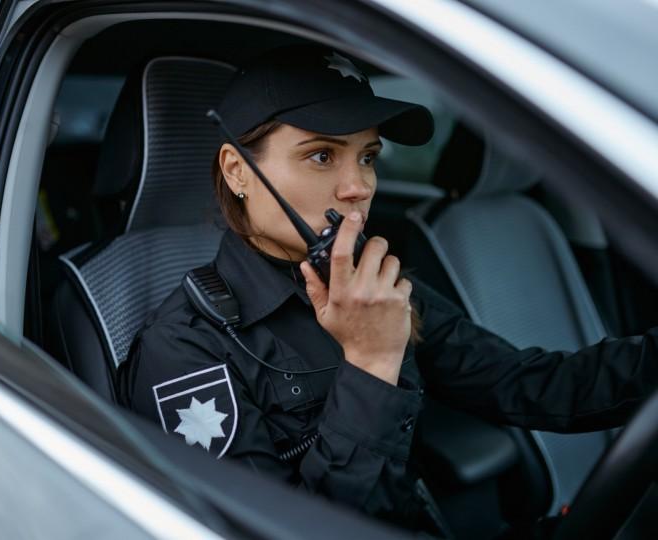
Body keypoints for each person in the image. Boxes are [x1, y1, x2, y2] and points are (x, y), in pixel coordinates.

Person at [117, 46, 657, 534]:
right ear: (238, 171)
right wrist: (371, 363)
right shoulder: (186, 350)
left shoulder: (375, 286)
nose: (359, 187)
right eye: (322, 155)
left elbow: (533, 385)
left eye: (368, 156)